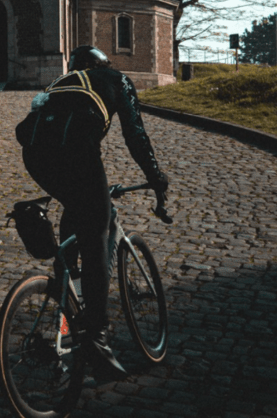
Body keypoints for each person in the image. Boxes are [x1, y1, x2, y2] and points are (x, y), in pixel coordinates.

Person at [17, 45, 169, 378]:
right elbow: (136, 134)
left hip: (35, 156)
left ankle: (69, 281)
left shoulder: (58, 84)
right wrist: (156, 178)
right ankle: (96, 341)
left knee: (78, 208)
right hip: (77, 152)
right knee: (98, 231)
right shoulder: (116, 79)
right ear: (102, 65)